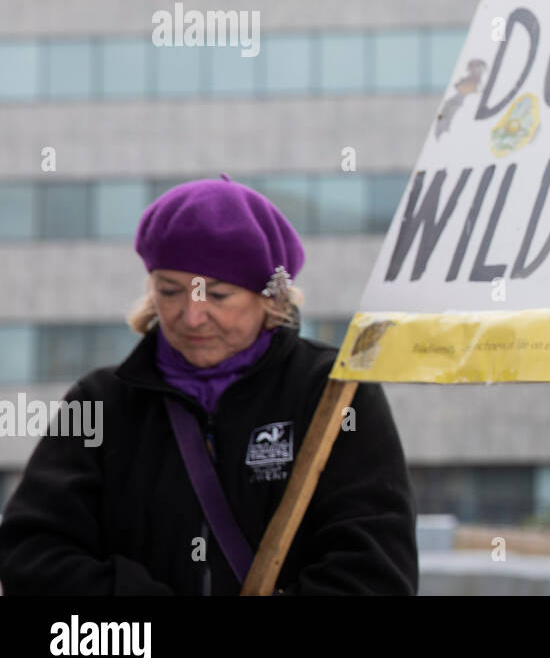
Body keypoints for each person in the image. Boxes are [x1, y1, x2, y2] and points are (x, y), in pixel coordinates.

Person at [0, 173, 419, 595]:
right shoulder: (100, 403)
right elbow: (30, 554)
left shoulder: (333, 394)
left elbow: (377, 571)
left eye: (217, 295)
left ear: (271, 297)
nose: (192, 316)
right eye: (170, 291)